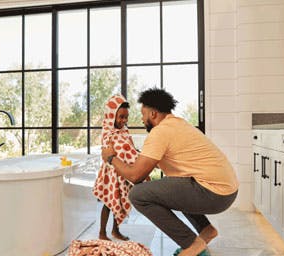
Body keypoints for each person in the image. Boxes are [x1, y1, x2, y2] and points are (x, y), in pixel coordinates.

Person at [101, 88, 239, 256]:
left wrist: (110, 158)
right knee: (172, 185)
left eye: (143, 114)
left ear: (153, 114)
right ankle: (206, 230)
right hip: (226, 190)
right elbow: (164, 162)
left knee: (138, 195)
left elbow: (135, 176)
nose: (142, 118)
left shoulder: (160, 132)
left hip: (214, 194)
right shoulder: (178, 124)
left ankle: (191, 245)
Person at [93, 94, 139, 241]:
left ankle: (115, 230)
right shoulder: (107, 131)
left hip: (122, 170)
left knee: (118, 201)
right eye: (121, 117)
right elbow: (111, 150)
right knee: (109, 202)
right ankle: (102, 232)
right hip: (110, 172)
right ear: (112, 115)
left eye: (126, 117)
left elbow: (129, 148)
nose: (124, 121)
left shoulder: (125, 131)